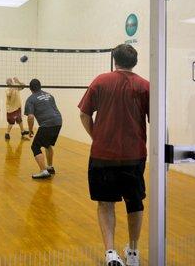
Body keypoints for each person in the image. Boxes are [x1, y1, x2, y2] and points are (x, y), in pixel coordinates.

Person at [78, 44, 149, 266]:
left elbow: (84, 114)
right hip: (134, 156)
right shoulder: (145, 86)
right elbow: (155, 121)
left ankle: (110, 252)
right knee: (134, 202)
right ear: (134, 62)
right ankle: (134, 252)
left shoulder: (100, 81)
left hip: (102, 156)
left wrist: (96, 136)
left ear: (114, 60)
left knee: (106, 203)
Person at [24, 79, 62, 179]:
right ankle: (50, 167)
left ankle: (44, 171)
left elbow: (30, 117)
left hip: (47, 124)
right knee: (47, 144)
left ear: (30, 88)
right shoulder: (49, 95)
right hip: (58, 122)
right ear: (40, 86)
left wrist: (30, 130)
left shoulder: (31, 99)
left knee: (35, 146)